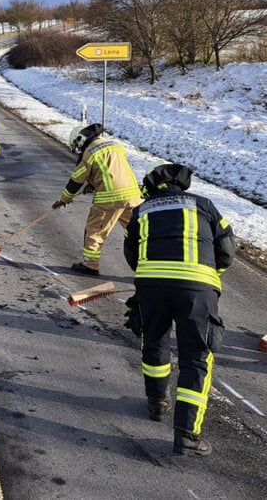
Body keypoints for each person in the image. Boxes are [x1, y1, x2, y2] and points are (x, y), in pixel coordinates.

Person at [122, 162, 235, 457]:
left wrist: (151, 275)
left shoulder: (142, 210)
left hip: (152, 285)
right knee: (196, 357)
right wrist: (209, 275)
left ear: (152, 186)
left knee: (154, 339)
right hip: (197, 289)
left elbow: (131, 254)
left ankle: (157, 403)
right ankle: (186, 433)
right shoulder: (206, 206)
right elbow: (227, 251)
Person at [52, 123, 142, 275]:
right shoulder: (114, 146)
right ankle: (149, 264)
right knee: (138, 231)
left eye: (78, 147)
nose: (79, 150)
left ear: (80, 140)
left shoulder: (90, 153)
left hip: (110, 199)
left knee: (95, 232)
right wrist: (93, 185)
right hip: (133, 196)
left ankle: (90, 265)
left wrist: (64, 199)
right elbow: (110, 172)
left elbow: (75, 180)